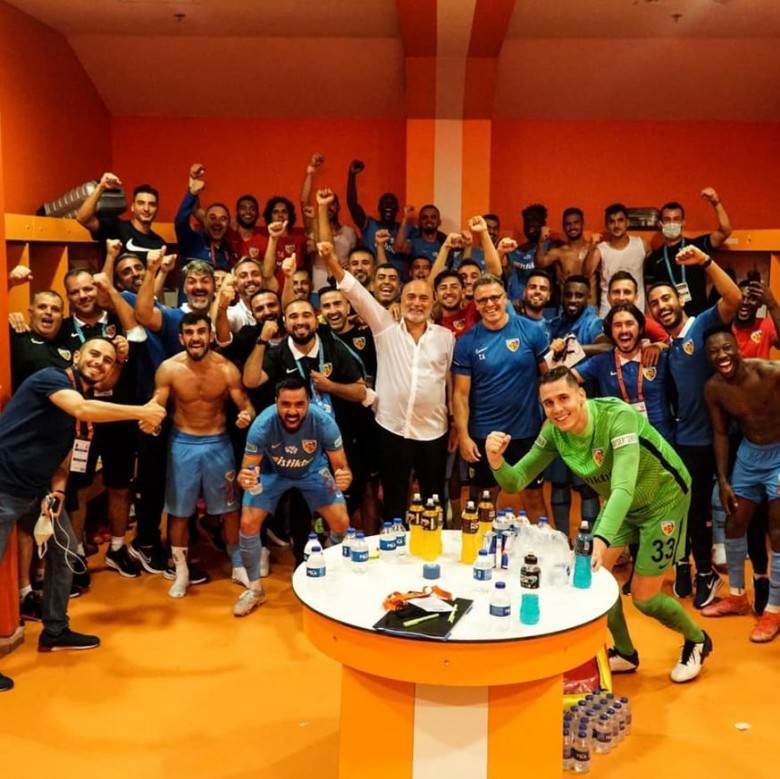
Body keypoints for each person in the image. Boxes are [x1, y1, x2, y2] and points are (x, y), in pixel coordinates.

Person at [487, 367, 712, 683]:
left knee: (645, 598)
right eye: (549, 403)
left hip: (663, 500)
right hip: (624, 504)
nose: (557, 409)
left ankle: (698, 639)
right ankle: (626, 652)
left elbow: (623, 486)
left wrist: (602, 538)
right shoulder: (554, 432)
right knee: (594, 580)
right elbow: (516, 480)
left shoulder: (618, 417)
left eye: (564, 398)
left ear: (581, 395)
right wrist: (496, 460)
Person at [0, 337, 165, 692]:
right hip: (3, 487)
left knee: (65, 553)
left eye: (107, 360)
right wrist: (142, 411)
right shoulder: (53, 380)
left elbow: (64, 456)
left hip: (38, 491)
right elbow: (83, 409)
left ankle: (55, 630)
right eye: (94, 354)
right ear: (77, 355)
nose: (99, 362)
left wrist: (59, 491)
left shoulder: (78, 410)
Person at [323, 244, 454, 522]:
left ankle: (432, 545)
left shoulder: (446, 337)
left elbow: (449, 382)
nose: (416, 303)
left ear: (433, 303)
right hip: (391, 428)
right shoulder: (384, 326)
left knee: (433, 501)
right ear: (400, 299)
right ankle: (395, 544)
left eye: (423, 298)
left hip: (434, 431)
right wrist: (330, 260)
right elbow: (355, 292)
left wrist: (454, 422)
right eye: (410, 297)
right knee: (394, 500)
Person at [647, 244, 742, 608]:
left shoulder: (701, 324)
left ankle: (731, 579)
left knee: (726, 509)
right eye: (654, 303)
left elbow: (733, 298)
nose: (661, 306)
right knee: (689, 508)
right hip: (687, 439)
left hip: (724, 438)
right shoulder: (668, 346)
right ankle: (694, 569)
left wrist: (705, 261)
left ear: (679, 299)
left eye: (666, 298)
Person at [151, 312, 255, 597]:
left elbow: (246, 404)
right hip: (182, 444)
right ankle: (181, 572)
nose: (195, 338)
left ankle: (238, 565)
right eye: (190, 333)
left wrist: (246, 415)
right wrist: (151, 419)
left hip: (218, 443)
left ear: (210, 335)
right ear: (181, 337)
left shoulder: (226, 369)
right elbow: (156, 405)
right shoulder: (168, 369)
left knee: (230, 509)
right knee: (179, 512)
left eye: (201, 332)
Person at [233, 377, 351, 616]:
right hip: (272, 473)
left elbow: (342, 467)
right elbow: (247, 471)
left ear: (309, 402)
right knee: (247, 523)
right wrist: (245, 478)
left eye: (299, 404)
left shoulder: (324, 422)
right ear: (276, 402)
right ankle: (254, 590)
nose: (292, 411)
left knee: (341, 521)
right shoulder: (262, 425)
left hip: (313, 471)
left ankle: (327, 572)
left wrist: (344, 477)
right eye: (286, 404)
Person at [701, 328, 780, 642]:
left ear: (737, 347)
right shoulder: (714, 389)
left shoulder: (770, 372)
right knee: (734, 524)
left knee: (777, 531)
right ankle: (737, 596)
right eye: (714, 352)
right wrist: (723, 480)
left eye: (726, 348)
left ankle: (773, 610)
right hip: (748, 455)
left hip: (778, 455)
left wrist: (772, 306)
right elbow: (720, 433)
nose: (721, 356)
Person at [452, 275, 549, 517]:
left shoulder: (532, 331)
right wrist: (464, 436)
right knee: (483, 501)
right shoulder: (466, 342)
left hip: (526, 433)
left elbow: (551, 379)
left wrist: (549, 422)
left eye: (495, 297)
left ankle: (545, 542)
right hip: (484, 435)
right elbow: (460, 395)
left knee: (534, 498)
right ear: (475, 304)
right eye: (482, 300)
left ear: (505, 298)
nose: (490, 304)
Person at [644, 188, 733, 316]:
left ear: (683, 223)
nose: (672, 223)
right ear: (660, 224)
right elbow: (649, 295)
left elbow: (725, 231)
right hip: (668, 318)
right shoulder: (653, 258)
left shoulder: (696, 247)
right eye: (667, 219)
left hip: (699, 317)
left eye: (676, 219)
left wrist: (716, 203)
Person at [75, 172, 165, 264]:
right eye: (141, 203)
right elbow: (82, 218)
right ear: (132, 207)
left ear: (157, 209)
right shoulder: (115, 227)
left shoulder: (159, 243)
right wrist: (101, 187)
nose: (146, 208)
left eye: (152, 204)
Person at [585, 203, 650, 317]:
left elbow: (651, 276)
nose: (616, 225)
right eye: (611, 221)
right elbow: (586, 274)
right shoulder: (600, 249)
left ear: (627, 222)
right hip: (608, 310)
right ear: (606, 225)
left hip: (637, 308)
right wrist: (591, 249)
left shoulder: (642, 245)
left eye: (620, 220)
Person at [346, 159, 408, 276]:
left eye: (392, 204)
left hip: (398, 279)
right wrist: (352, 176)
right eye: (385, 204)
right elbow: (352, 204)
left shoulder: (404, 229)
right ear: (379, 208)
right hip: (373, 278)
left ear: (398, 209)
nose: (388, 207)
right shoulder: (370, 225)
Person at [174, 164, 236, 272]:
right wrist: (192, 192)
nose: (217, 223)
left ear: (228, 224)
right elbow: (180, 222)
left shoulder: (229, 249)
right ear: (205, 221)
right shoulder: (192, 240)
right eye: (212, 217)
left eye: (223, 219)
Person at [606, 271, 668, 344]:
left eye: (627, 292)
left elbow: (669, 344)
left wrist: (657, 347)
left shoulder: (648, 325)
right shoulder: (605, 323)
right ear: (608, 297)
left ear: (636, 297)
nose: (621, 298)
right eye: (616, 292)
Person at [732, 276, 780, 358]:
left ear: (760, 304)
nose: (745, 302)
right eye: (742, 298)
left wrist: (771, 303)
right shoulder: (725, 327)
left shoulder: (766, 325)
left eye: (751, 298)